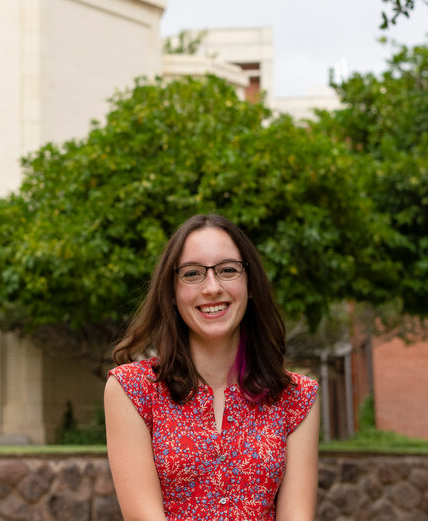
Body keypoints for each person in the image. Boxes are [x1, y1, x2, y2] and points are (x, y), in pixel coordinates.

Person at [105, 214, 319, 520]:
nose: (212, 287)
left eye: (228, 270)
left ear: (250, 282)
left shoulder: (297, 397)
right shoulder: (132, 390)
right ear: (172, 292)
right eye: (192, 274)